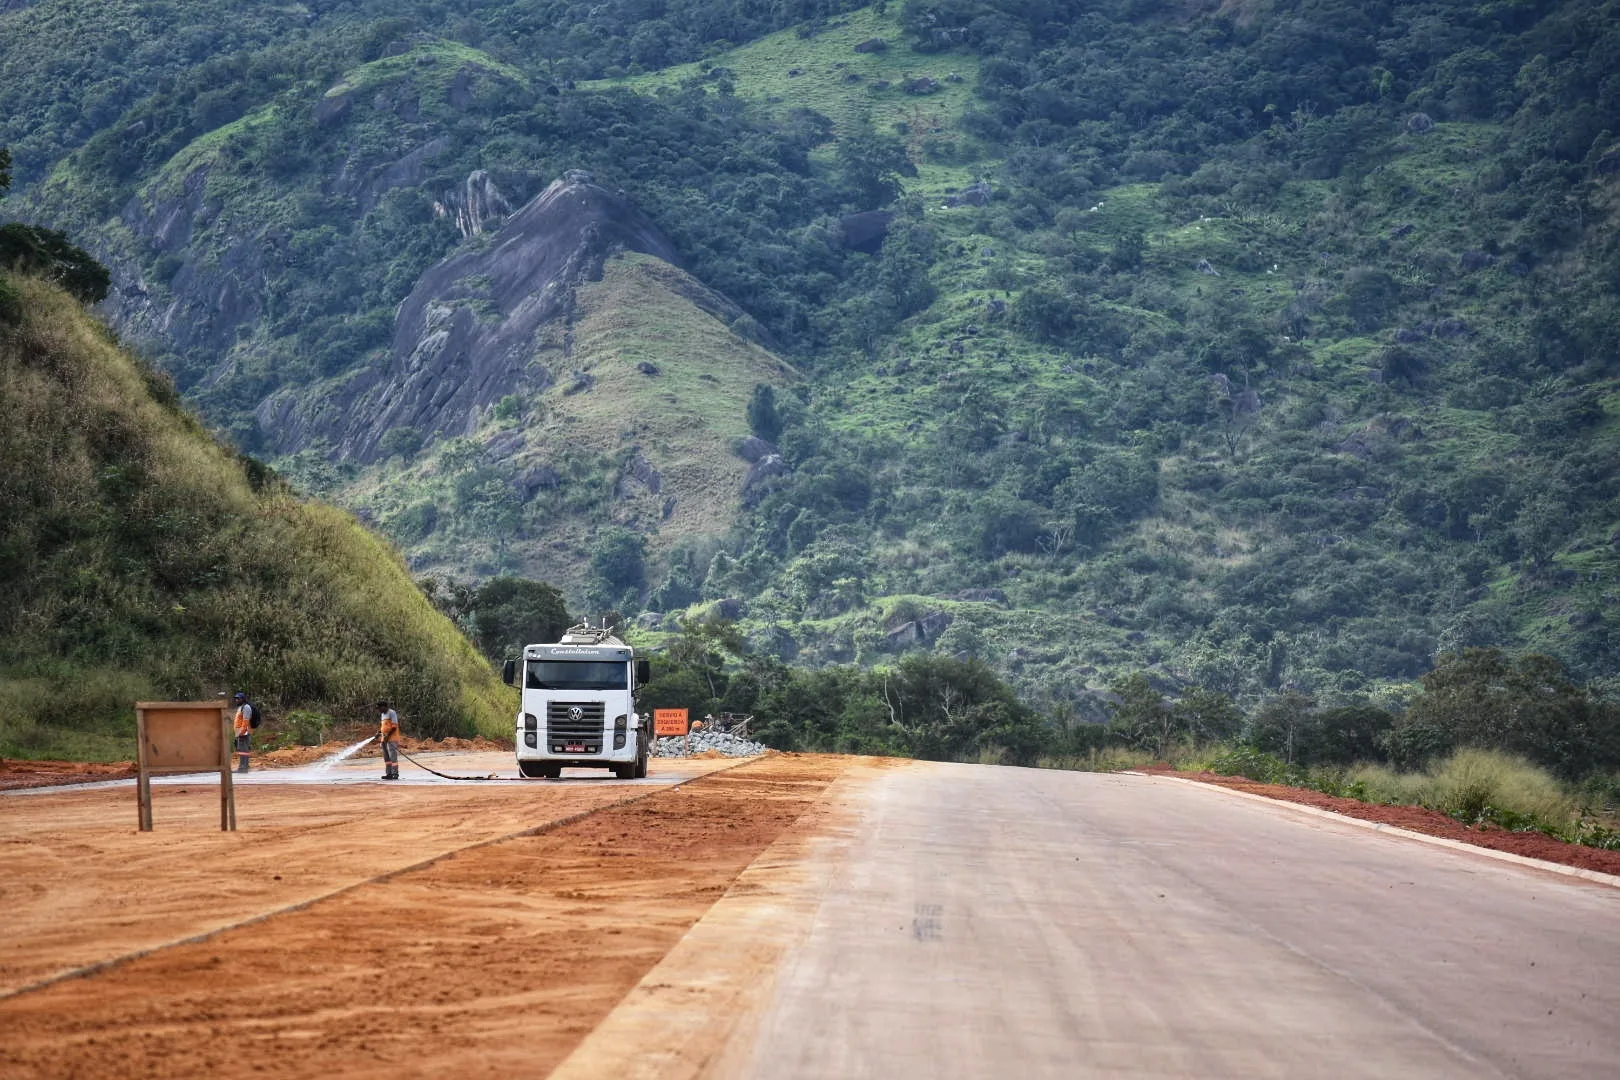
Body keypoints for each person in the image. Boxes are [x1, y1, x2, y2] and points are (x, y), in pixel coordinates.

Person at [377, 699, 400, 780]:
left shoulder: (391, 712)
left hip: (392, 739)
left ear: (384, 707)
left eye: (380, 708)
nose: (379, 710)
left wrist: (388, 736)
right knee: (386, 757)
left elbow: (394, 726)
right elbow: (384, 727)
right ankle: (389, 773)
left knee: (392, 756)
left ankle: (395, 773)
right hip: (384, 739)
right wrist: (379, 732)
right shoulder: (382, 715)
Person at [232, 692, 255, 773]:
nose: (237, 700)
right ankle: (244, 766)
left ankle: (243, 768)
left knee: (243, 750)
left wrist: (242, 731)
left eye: (239, 698)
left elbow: (246, 721)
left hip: (243, 732)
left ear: (243, 699)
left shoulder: (246, 707)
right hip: (240, 732)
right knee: (242, 749)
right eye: (236, 699)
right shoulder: (241, 707)